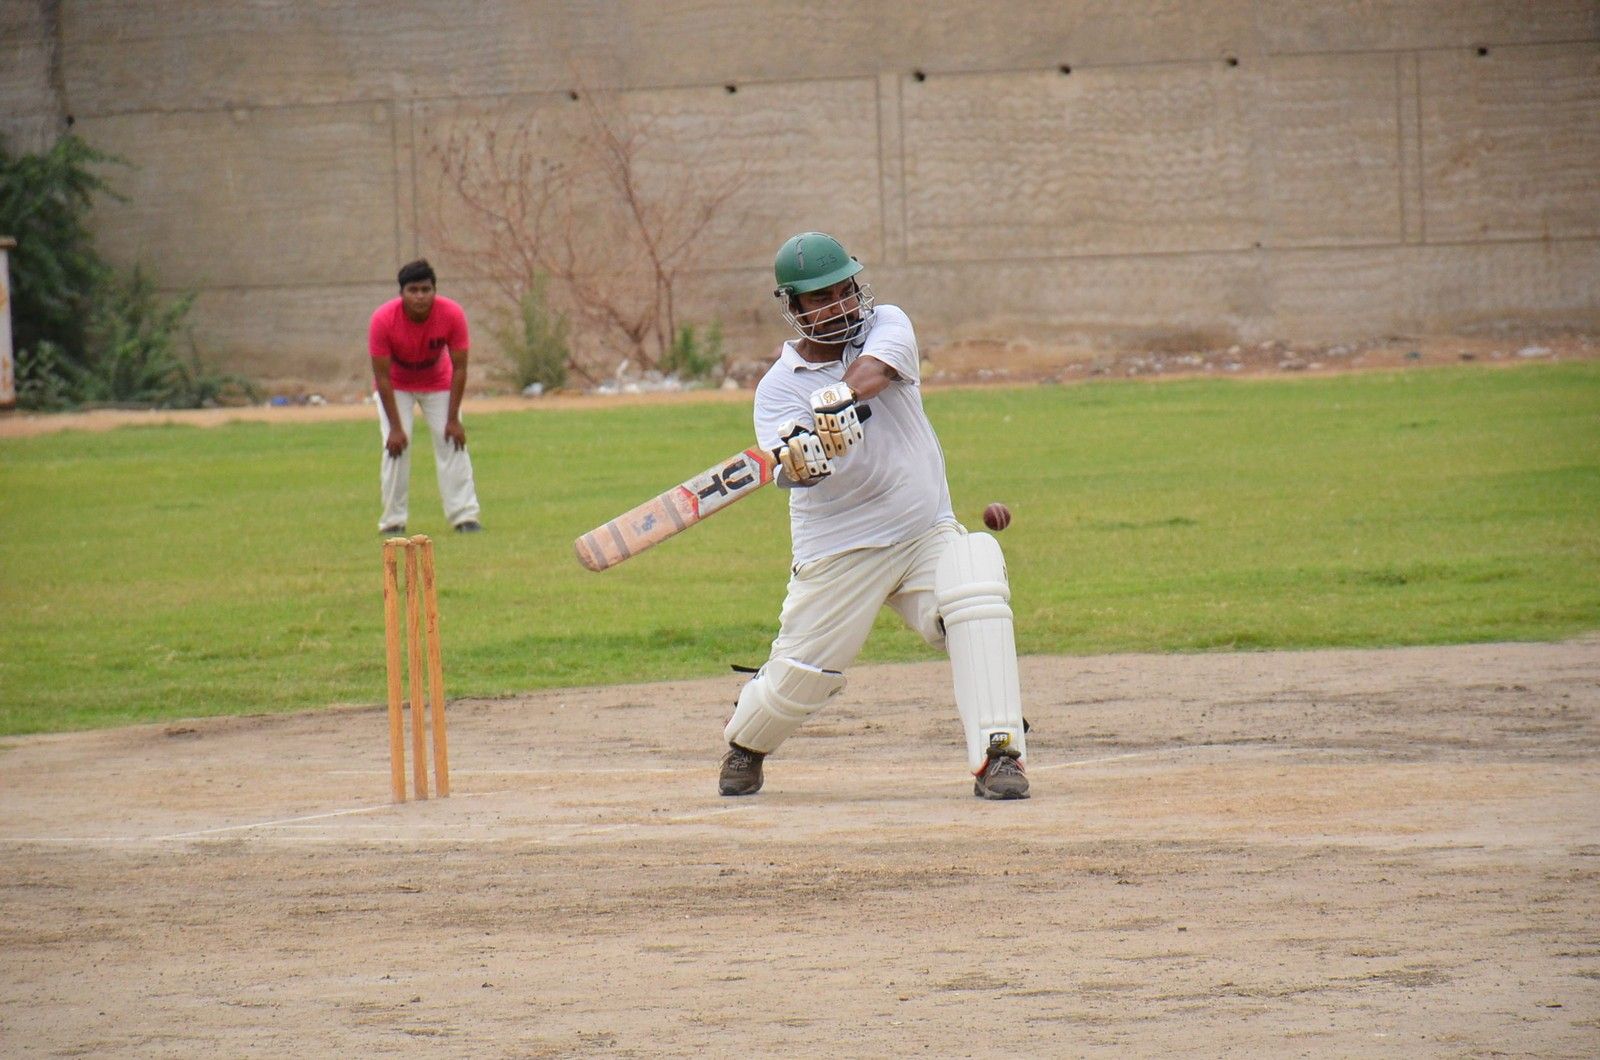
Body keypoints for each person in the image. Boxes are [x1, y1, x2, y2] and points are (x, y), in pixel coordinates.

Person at [719, 232, 1030, 800]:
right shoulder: (776, 390)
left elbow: (875, 373)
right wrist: (803, 460)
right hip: (838, 549)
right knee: (799, 679)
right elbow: (795, 474)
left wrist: (835, 401)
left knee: (976, 593)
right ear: (794, 307)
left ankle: (1000, 754)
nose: (839, 305)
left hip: (922, 531)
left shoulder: (888, 323)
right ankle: (746, 740)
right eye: (821, 298)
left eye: (845, 290)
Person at [368, 259, 484, 535]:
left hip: (438, 382)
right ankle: (393, 521)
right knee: (396, 448)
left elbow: (460, 368)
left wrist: (453, 420)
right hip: (396, 385)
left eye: (425, 289)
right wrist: (395, 429)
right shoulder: (383, 319)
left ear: (434, 291)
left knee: (452, 442)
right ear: (402, 293)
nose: (420, 296)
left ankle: (464, 516)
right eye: (413, 290)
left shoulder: (452, 314)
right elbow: (382, 377)